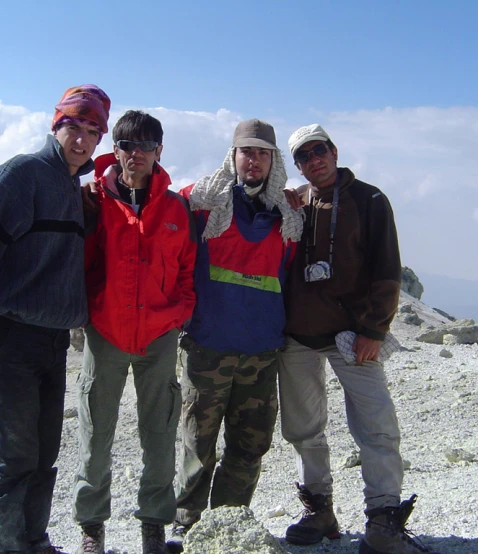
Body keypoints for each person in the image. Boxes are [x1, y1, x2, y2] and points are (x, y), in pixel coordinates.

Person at [0, 84, 111, 554]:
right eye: (73, 126)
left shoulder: (72, 187)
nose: (81, 139)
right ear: (54, 124)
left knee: (43, 456)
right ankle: (6, 548)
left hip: (52, 340)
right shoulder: (20, 175)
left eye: (92, 131)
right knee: (14, 459)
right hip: (8, 339)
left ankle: (35, 542)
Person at [278, 124, 438, 554]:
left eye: (319, 151)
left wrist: (374, 330)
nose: (314, 160)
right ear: (297, 165)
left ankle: (383, 520)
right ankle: (319, 509)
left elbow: (388, 269)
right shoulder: (297, 202)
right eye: (304, 157)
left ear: (334, 150)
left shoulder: (369, 199)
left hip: (353, 335)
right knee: (302, 428)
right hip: (297, 335)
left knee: (376, 427)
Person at [167, 119, 303, 552]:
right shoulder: (203, 204)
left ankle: (227, 526)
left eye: (263, 153)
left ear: (273, 160)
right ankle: (186, 526)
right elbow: (157, 210)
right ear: (234, 156)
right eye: (247, 151)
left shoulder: (289, 216)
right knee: (197, 443)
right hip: (208, 349)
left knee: (250, 446)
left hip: (261, 354)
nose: (254, 160)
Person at [72, 110, 197, 554]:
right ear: (116, 150)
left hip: (158, 337)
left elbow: (187, 269)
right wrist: (88, 314)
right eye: (127, 145)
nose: (136, 154)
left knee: (159, 431)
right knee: (95, 430)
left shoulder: (176, 208)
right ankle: (92, 527)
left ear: (159, 151)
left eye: (146, 146)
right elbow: (82, 262)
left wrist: (178, 313)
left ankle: (154, 527)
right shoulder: (95, 201)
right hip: (106, 334)